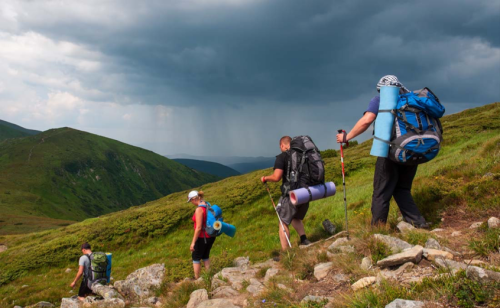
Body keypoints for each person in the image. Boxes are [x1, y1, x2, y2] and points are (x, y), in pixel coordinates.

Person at [336, 75, 430, 228]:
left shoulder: (382, 100)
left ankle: (378, 231)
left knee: (381, 192)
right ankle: (419, 224)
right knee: (402, 189)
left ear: (382, 89)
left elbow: (367, 120)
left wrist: (347, 137)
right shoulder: (411, 99)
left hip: (391, 151)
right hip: (412, 149)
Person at [261, 136, 311, 251]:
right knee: (295, 217)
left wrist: (265, 178)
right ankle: (304, 240)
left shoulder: (282, 156)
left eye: (280, 146)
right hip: (305, 193)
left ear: (282, 145)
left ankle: (286, 253)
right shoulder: (302, 154)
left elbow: (277, 177)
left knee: (283, 221)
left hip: (291, 194)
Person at [188, 190, 216, 279]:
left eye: (191, 201)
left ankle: (196, 278)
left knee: (195, 257)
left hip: (202, 237)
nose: (191, 203)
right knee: (205, 256)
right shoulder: (207, 204)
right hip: (211, 235)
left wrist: (193, 242)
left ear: (194, 199)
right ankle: (209, 276)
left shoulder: (199, 209)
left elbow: (199, 227)